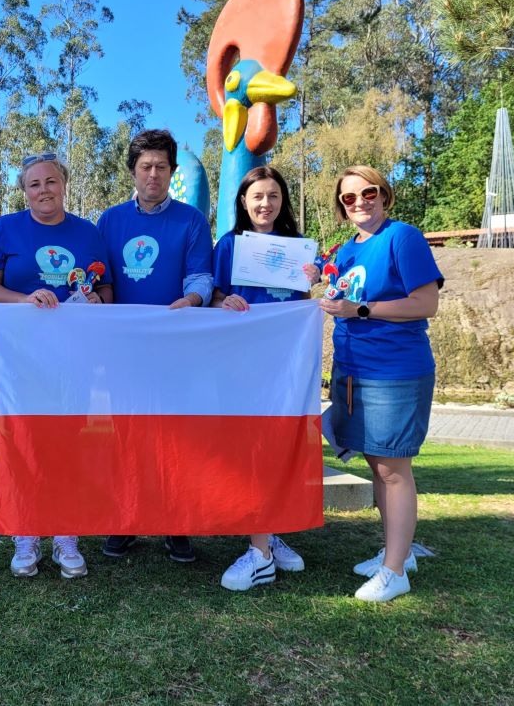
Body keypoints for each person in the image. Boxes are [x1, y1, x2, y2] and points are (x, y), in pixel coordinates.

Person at [0, 152, 112, 579]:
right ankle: (26, 532)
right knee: (23, 444)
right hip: (19, 361)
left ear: (64, 184)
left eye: (51, 181)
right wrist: (25, 300)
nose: (43, 190)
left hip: (73, 362)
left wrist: (97, 299)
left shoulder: (88, 233)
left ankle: (66, 535)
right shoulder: (3, 229)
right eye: (34, 184)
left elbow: (107, 290)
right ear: (24, 191)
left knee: (69, 445)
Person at [318, 165, 443, 603]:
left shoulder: (402, 237)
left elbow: (426, 302)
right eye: (349, 198)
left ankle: (394, 571)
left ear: (384, 195)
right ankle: (397, 553)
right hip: (354, 370)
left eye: (368, 193)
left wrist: (363, 310)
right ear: (341, 207)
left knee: (393, 469)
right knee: (378, 464)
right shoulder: (345, 251)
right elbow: (340, 297)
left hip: (395, 370)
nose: (360, 203)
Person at [96, 128, 213, 563]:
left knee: (175, 435)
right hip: (122, 352)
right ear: (132, 171)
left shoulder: (192, 221)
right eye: (145, 166)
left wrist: (193, 300)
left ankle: (176, 522)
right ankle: (125, 520)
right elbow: (99, 280)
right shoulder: (109, 221)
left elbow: (201, 277)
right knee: (126, 435)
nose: (153, 174)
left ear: (172, 171)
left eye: (161, 167)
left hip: (176, 351)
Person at [209, 166, 319, 591]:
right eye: (257, 196)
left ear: (282, 200)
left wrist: (315, 284)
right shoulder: (229, 245)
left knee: (277, 447)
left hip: (285, 364)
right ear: (243, 201)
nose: (265, 204)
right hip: (241, 365)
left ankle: (267, 536)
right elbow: (214, 296)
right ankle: (261, 548)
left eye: (273, 195)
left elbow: (303, 304)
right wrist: (224, 301)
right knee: (249, 447)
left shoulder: (297, 247)